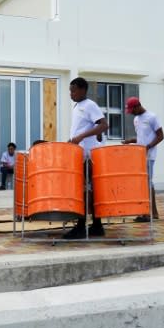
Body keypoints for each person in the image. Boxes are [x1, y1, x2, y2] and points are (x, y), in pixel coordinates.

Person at [63, 77, 109, 239]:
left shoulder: (89, 105)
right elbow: (83, 127)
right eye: (70, 90)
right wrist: (73, 139)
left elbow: (104, 124)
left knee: (84, 190)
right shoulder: (78, 106)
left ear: (83, 90)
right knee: (85, 190)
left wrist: (80, 137)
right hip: (79, 153)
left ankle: (82, 226)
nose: (71, 94)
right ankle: (96, 225)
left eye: (73, 90)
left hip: (89, 155)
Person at [122, 97, 164, 222]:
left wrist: (148, 147)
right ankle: (151, 212)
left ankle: (148, 213)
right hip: (139, 155)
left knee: (147, 183)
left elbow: (160, 136)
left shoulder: (152, 117)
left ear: (137, 106)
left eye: (132, 110)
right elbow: (141, 137)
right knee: (143, 183)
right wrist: (130, 141)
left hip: (149, 156)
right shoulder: (136, 119)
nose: (131, 113)